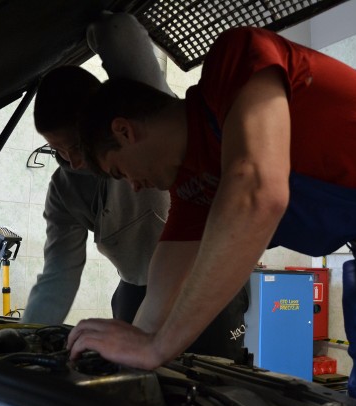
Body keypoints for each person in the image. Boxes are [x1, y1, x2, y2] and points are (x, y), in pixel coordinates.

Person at [68, 26, 356, 406]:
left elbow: (258, 191)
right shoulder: (197, 183)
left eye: (121, 172)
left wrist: (157, 347)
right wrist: (131, 348)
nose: (135, 186)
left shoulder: (236, 59)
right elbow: (164, 278)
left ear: (125, 130)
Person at [22, 12, 248, 361]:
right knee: (129, 386)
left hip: (205, 277)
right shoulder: (65, 192)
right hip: (139, 287)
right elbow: (59, 273)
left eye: (78, 146)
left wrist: (93, 16)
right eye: (58, 152)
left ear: (118, 128)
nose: (74, 162)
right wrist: (26, 341)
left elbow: (120, 32)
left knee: (209, 381)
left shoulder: (148, 137)